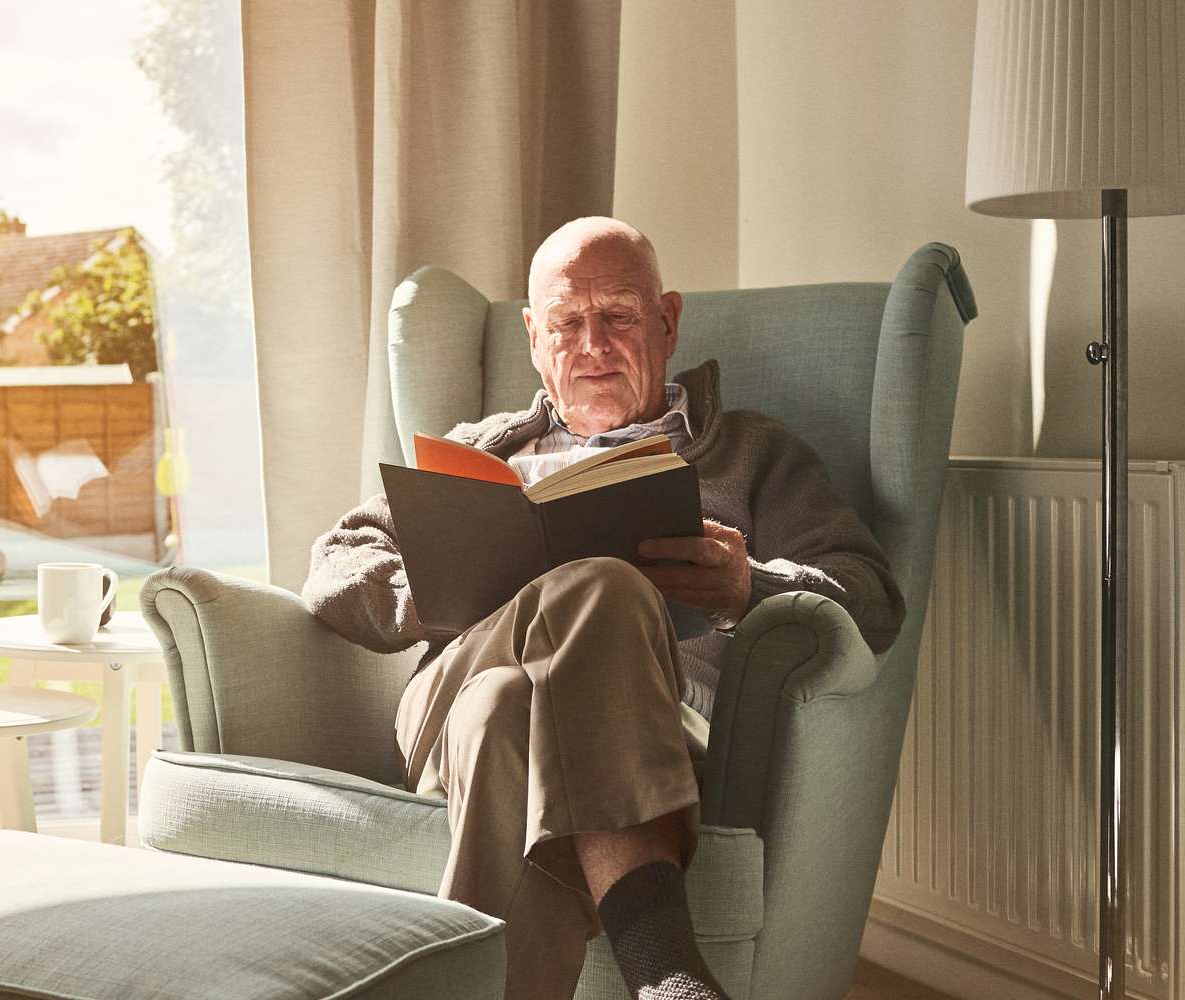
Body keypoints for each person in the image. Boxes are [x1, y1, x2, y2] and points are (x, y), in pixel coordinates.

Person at [301, 217, 905, 1000]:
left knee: (507, 709)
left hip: (654, 728)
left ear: (668, 319)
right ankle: (664, 967)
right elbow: (335, 559)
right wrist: (433, 587)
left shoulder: (754, 454)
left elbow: (872, 596)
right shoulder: (483, 448)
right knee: (594, 593)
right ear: (532, 335)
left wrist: (747, 584)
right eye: (566, 322)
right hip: (444, 708)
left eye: (618, 314)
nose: (592, 344)